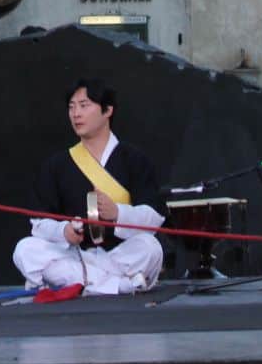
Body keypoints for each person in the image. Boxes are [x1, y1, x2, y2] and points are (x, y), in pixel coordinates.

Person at [11, 80, 167, 297]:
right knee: (26, 249)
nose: (76, 114)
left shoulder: (134, 159)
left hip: (119, 255)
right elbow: (38, 223)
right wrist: (64, 232)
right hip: (76, 255)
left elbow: (154, 218)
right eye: (71, 107)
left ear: (107, 110)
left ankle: (84, 284)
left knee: (150, 248)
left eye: (84, 105)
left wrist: (117, 213)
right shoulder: (57, 165)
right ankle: (119, 286)